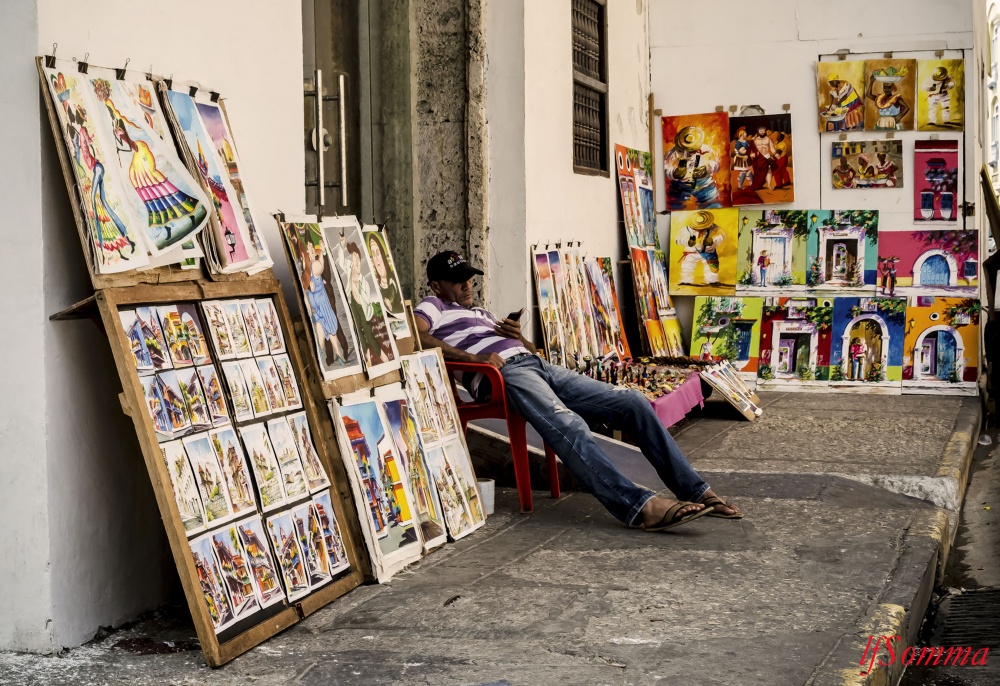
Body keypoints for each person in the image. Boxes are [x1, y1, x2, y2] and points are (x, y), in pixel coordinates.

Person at [414, 251, 742, 531]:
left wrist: (519, 338)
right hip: (503, 376)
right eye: (458, 279)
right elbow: (415, 335)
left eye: (469, 277)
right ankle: (639, 506)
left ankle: (695, 490)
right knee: (569, 424)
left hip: (533, 365)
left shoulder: (480, 313)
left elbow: (530, 351)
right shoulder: (434, 306)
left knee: (632, 401)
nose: (467, 283)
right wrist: (471, 357)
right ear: (436, 285)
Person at [664, 126, 722, 210]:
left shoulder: (707, 150)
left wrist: (706, 169)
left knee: (713, 204)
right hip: (680, 186)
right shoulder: (674, 152)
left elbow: (716, 164)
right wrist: (674, 172)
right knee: (674, 207)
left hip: (703, 184)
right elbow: (664, 168)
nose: (692, 151)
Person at [675, 210, 723, 286]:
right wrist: (687, 242)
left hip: (708, 252)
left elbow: (721, 236)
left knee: (711, 266)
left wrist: (713, 241)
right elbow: (677, 240)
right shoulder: (686, 230)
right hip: (691, 252)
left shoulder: (714, 228)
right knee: (687, 266)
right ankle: (686, 280)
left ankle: (712, 281)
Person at [748, 125, 776, 192]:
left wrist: (775, 153)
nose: (762, 132)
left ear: (765, 131)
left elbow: (772, 147)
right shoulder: (755, 140)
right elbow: (751, 148)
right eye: (760, 130)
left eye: (763, 130)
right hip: (758, 158)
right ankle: (757, 184)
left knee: (769, 170)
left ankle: (769, 184)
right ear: (758, 131)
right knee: (757, 172)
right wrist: (751, 154)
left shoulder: (768, 139)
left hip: (766, 156)